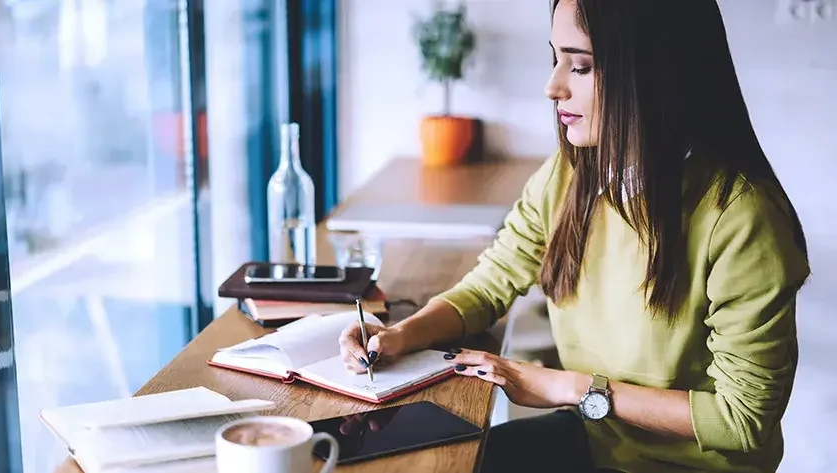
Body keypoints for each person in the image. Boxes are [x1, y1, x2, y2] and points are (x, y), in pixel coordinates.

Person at [338, 1, 810, 472]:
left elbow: (743, 420)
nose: (552, 86)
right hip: (597, 443)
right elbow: (492, 280)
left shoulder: (743, 217)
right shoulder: (570, 174)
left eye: (581, 65)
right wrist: (401, 335)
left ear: (652, 73)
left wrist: (566, 387)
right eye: (556, 59)